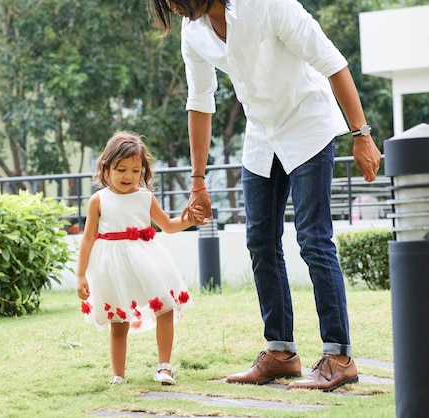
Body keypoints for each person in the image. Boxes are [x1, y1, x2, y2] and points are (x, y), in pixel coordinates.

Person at [147, 0, 382, 392]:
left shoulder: (268, 4)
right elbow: (200, 102)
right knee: (259, 240)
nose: (171, 5)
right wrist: (198, 181)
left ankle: (340, 357)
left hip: (308, 124)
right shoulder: (194, 32)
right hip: (262, 136)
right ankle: (281, 353)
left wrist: (362, 134)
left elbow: (331, 60)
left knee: (313, 238)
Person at [76, 131, 199, 386]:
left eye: (135, 170)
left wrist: (190, 219)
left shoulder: (145, 197)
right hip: (112, 268)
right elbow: (87, 239)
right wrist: (80, 275)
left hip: (146, 261)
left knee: (165, 307)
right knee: (118, 322)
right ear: (106, 167)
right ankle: (118, 375)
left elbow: (168, 225)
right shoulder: (98, 200)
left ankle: (164, 367)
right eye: (121, 169)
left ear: (143, 170)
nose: (128, 176)